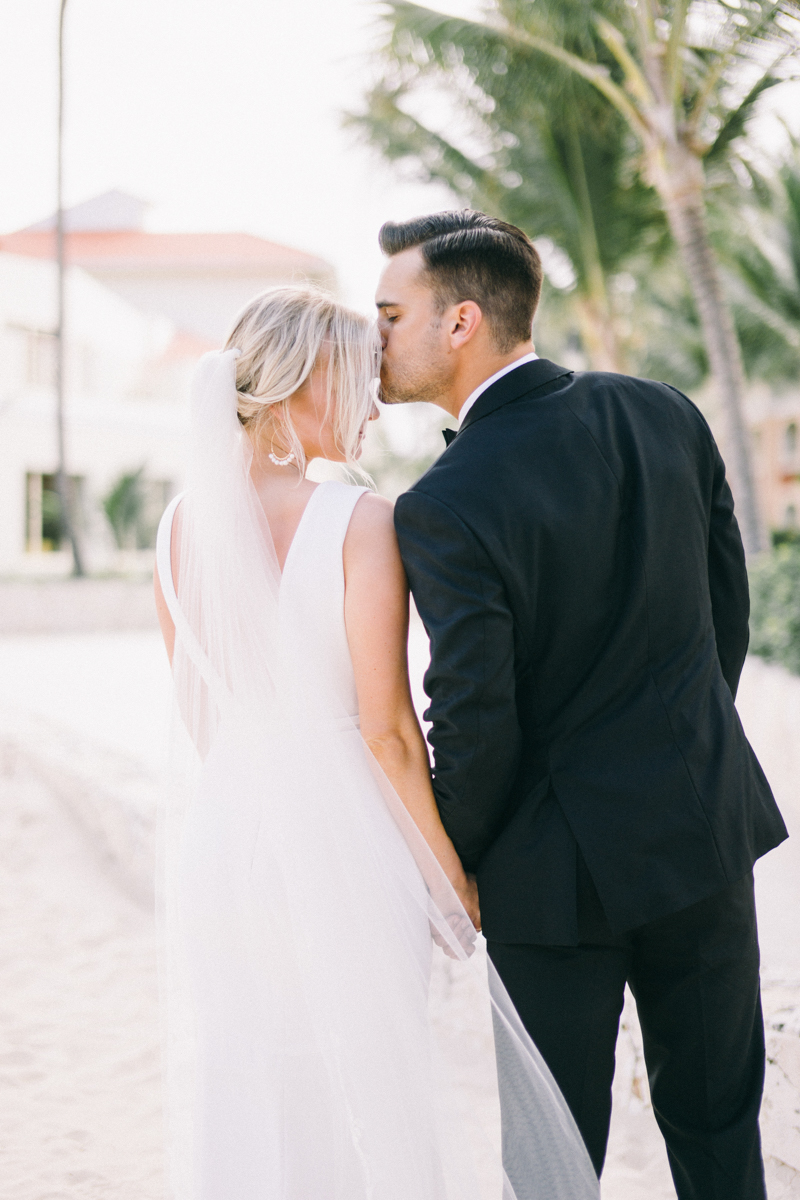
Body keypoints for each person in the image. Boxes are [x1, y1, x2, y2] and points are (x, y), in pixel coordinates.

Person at [153, 285, 598, 1200]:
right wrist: (449, 879)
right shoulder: (361, 522)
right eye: (359, 378)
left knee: (249, 1071)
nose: (375, 403)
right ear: (307, 379)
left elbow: (202, 715)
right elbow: (390, 734)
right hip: (346, 841)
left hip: (229, 839)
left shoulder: (176, 528)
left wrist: (254, 809)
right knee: (373, 1077)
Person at [379, 209, 789, 1200]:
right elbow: (722, 614)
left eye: (390, 314)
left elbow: (471, 715)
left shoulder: (443, 501)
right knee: (718, 1131)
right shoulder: (663, 414)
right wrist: (678, 751)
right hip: (698, 830)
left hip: (547, 878)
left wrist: (462, 860)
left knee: (553, 1161)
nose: (375, 337)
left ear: (462, 320)